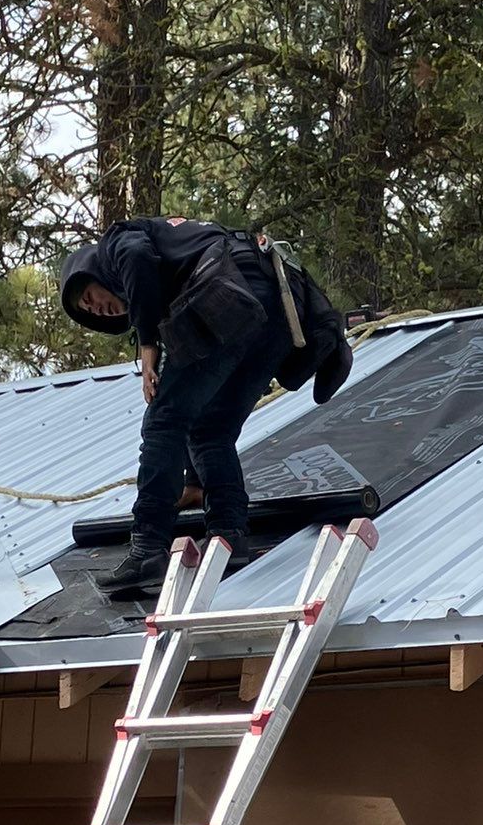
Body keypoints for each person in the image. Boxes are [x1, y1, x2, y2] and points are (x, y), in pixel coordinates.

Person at [58, 218, 352, 598]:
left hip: (231, 295)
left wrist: (147, 345)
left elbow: (135, 256)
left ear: (90, 270)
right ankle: (229, 538)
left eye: (88, 298)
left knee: (164, 422)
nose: (98, 309)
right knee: (211, 429)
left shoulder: (115, 242)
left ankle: (148, 549)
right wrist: (194, 484)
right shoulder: (177, 250)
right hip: (276, 304)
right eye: (93, 315)